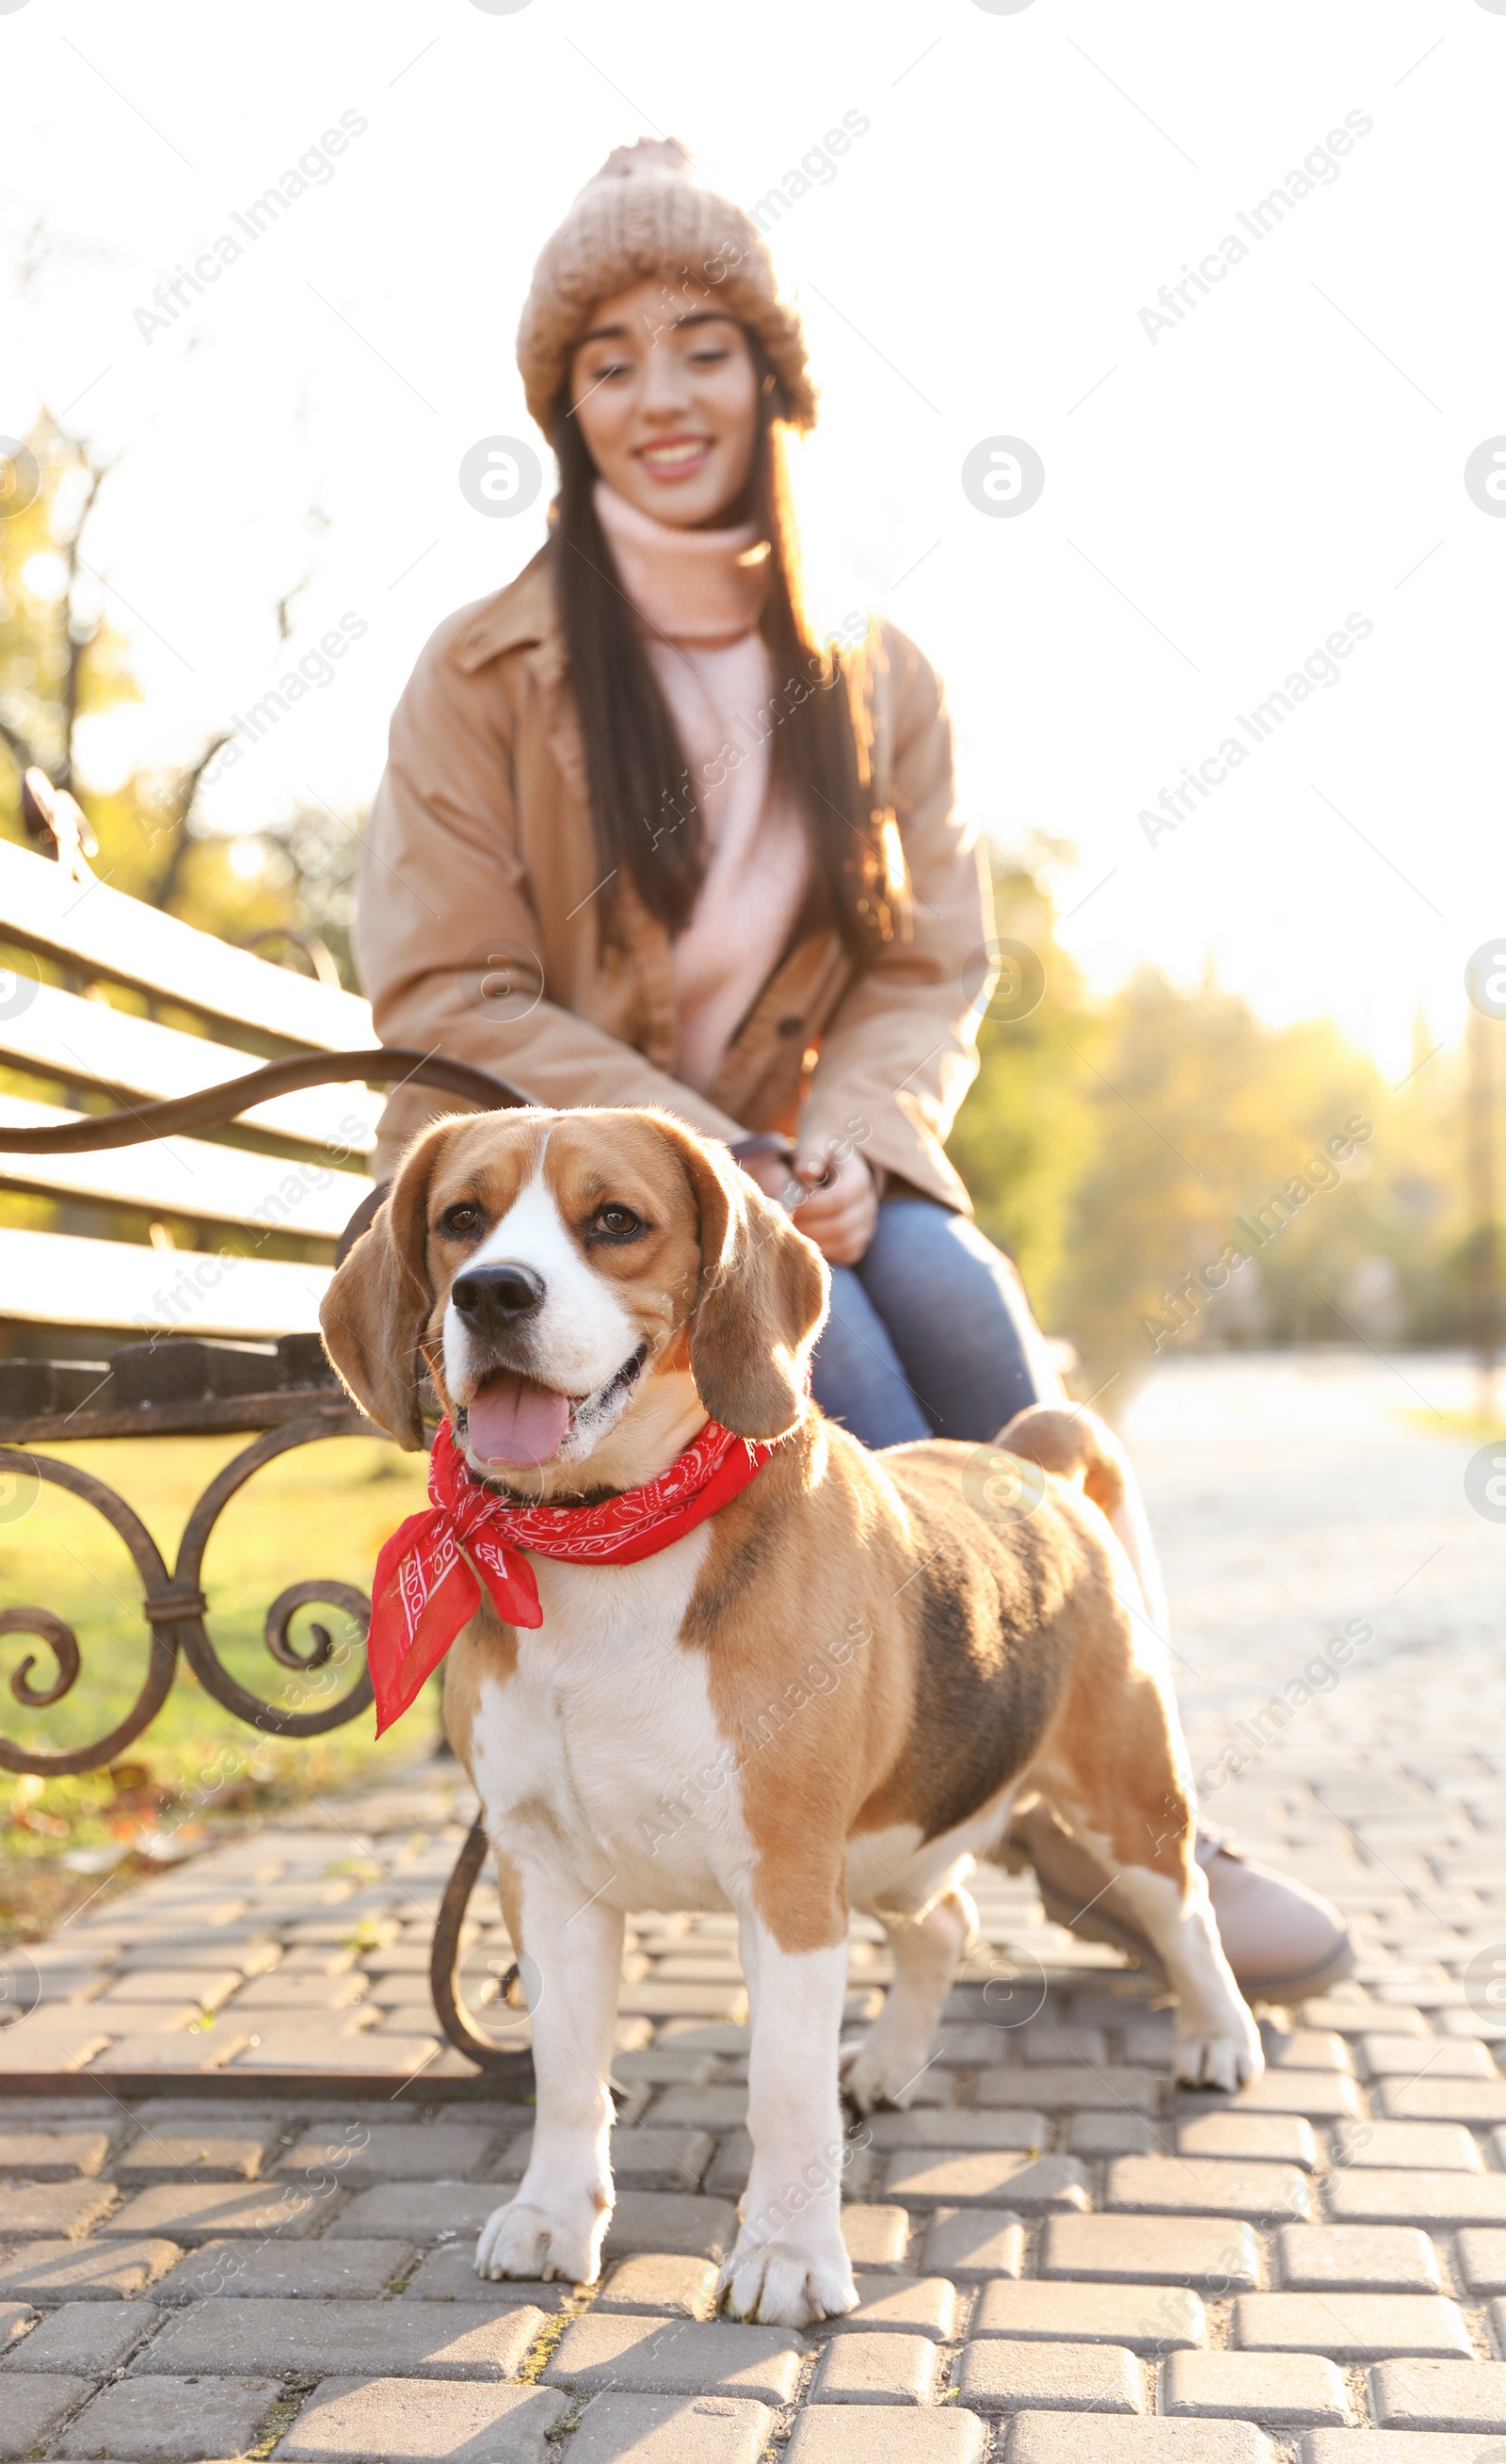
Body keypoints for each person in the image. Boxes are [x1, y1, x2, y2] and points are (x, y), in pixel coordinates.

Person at [352, 138, 1350, 2004]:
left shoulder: (872, 672)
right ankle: (910, 1793)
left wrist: (857, 1147)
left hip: (805, 1161)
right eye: (610, 359)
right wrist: (713, 1156)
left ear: (770, 380)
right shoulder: (478, 673)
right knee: (848, 1368)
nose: (660, 395)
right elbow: (444, 983)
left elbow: (929, 958)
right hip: (584, 1218)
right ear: (563, 406)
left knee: (957, 1293)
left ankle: (1113, 1783)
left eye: (703, 346)